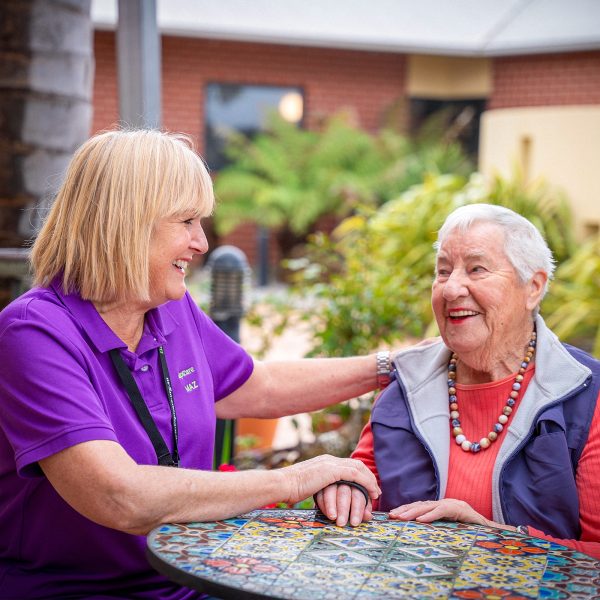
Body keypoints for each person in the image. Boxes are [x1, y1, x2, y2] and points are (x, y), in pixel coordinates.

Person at [0, 129, 384, 599]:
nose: (201, 242)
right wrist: (296, 478)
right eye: (186, 221)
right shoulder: (33, 332)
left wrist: (388, 367)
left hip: (191, 581)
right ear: (127, 222)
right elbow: (120, 496)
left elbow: (257, 387)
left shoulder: (167, 308)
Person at [316, 203, 600, 559]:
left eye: (476, 269)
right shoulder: (407, 383)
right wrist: (345, 491)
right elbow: (361, 483)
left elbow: (594, 557)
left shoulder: (587, 393)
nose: (451, 289)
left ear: (533, 287)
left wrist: (488, 536)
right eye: (443, 271)